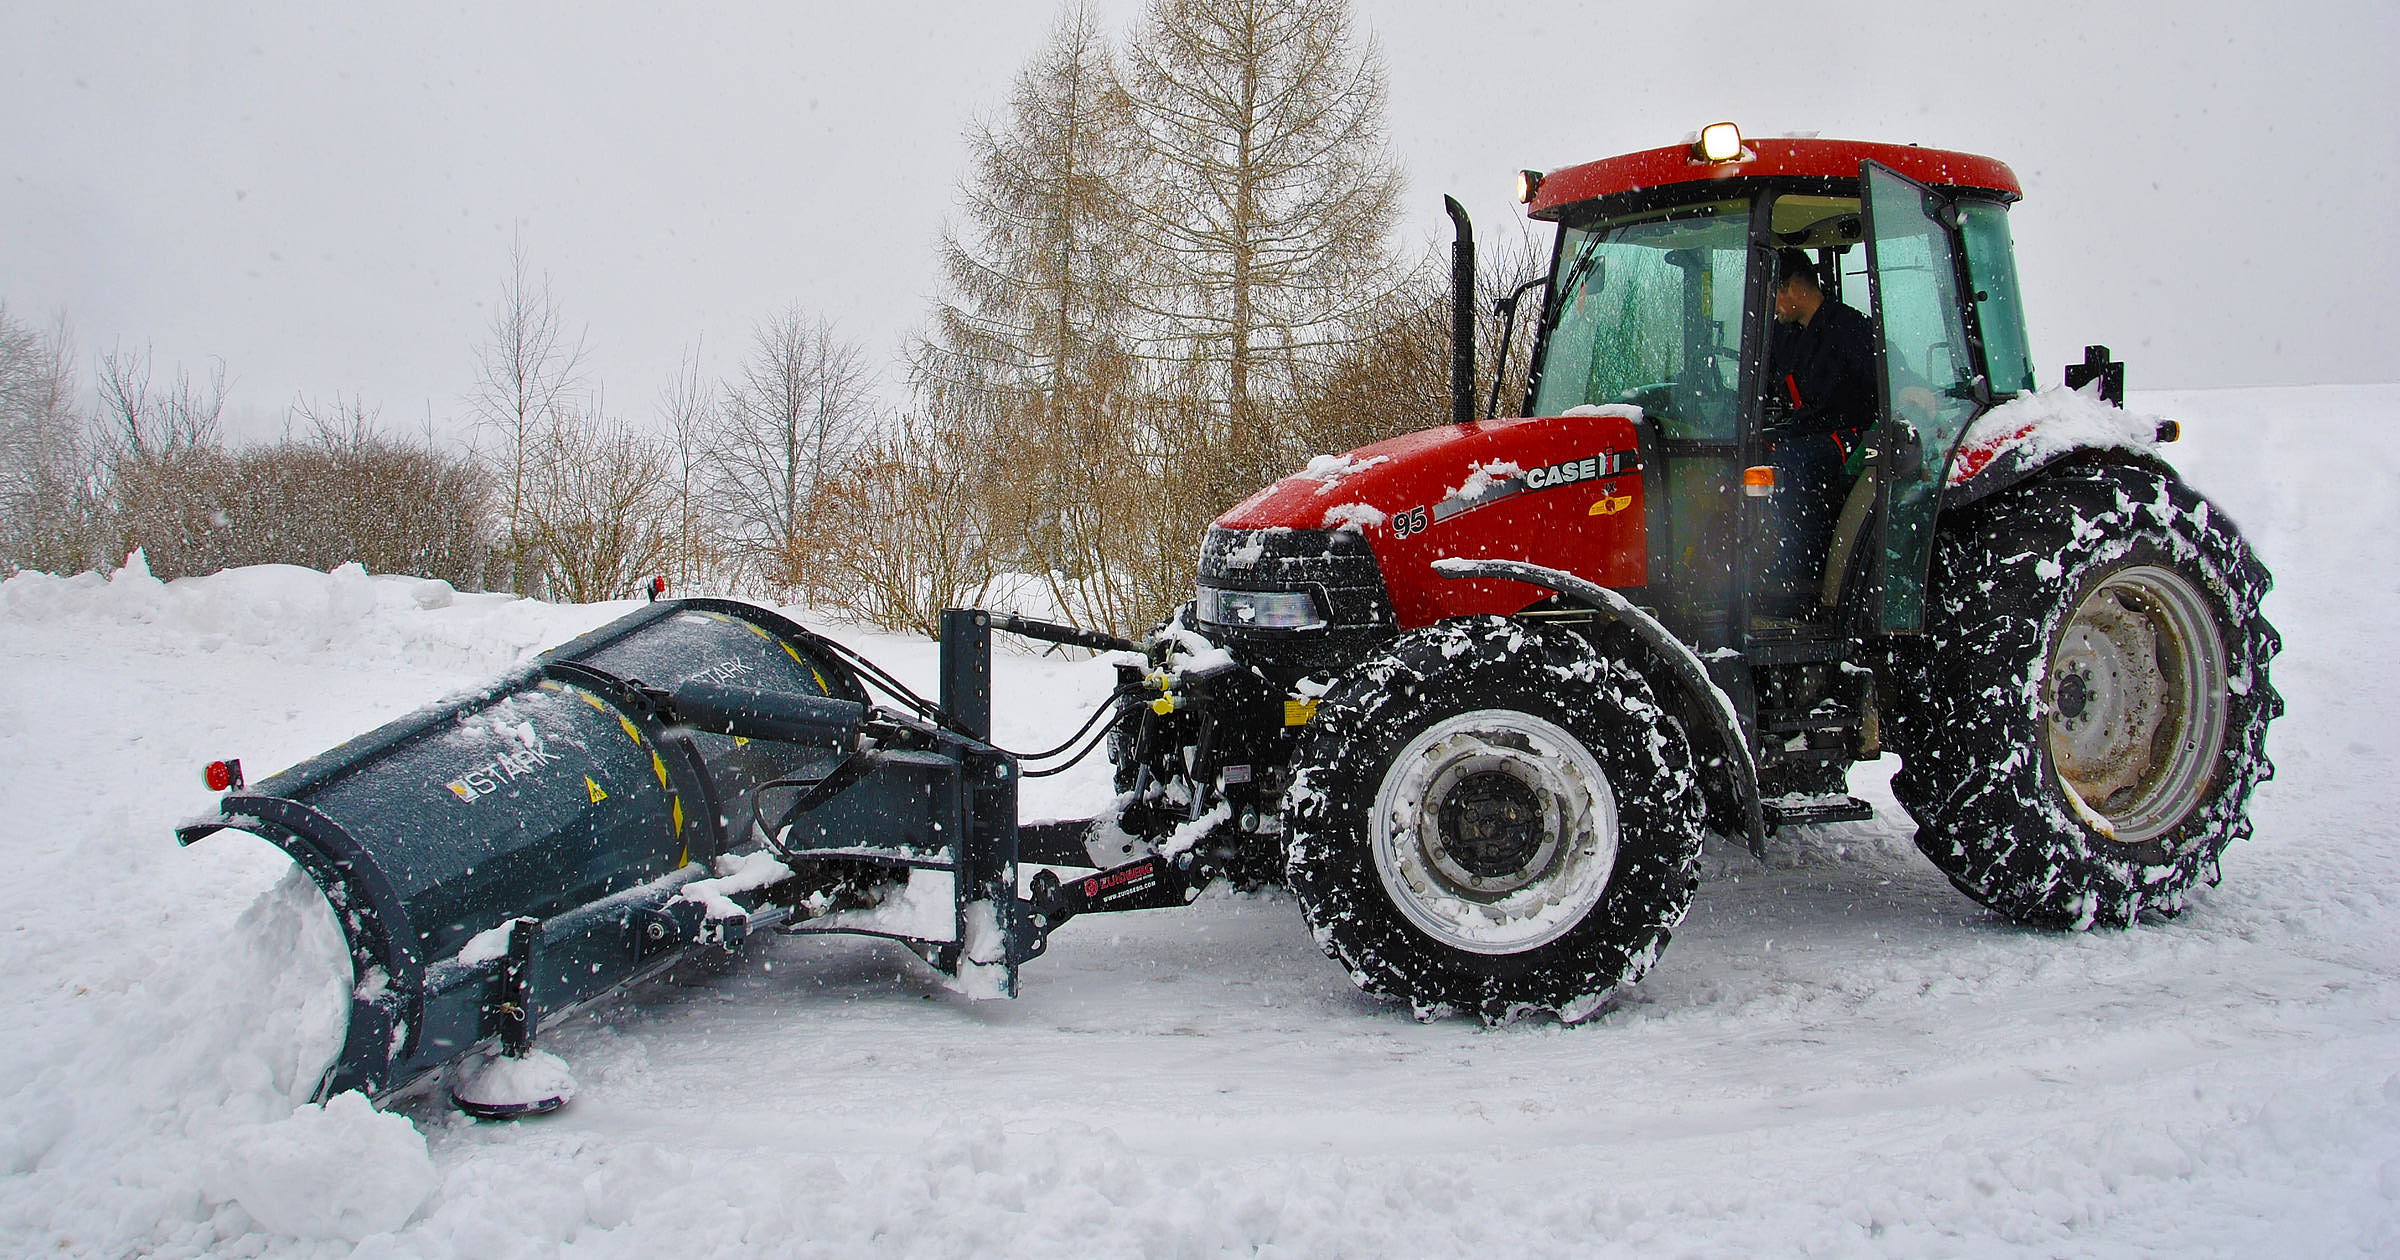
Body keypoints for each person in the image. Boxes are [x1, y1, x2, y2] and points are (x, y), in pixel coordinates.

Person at [1759, 248, 1877, 615]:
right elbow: (1763, 374)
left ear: (1793, 288)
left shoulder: (1850, 329)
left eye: (1773, 294)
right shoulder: (1789, 336)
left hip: (1854, 435)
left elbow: (1887, 382)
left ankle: (1800, 577)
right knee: (1758, 449)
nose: (1773, 306)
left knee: (1793, 462)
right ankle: (1760, 563)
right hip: (1810, 432)